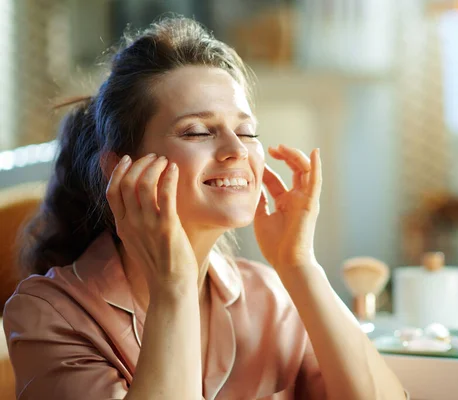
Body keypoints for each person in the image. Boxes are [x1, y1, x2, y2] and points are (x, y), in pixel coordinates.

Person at [3, 17, 407, 400]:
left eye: (247, 131)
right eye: (197, 132)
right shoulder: (47, 314)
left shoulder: (270, 294)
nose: (236, 150)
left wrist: (299, 264)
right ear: (118, 166)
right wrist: (174, 286)